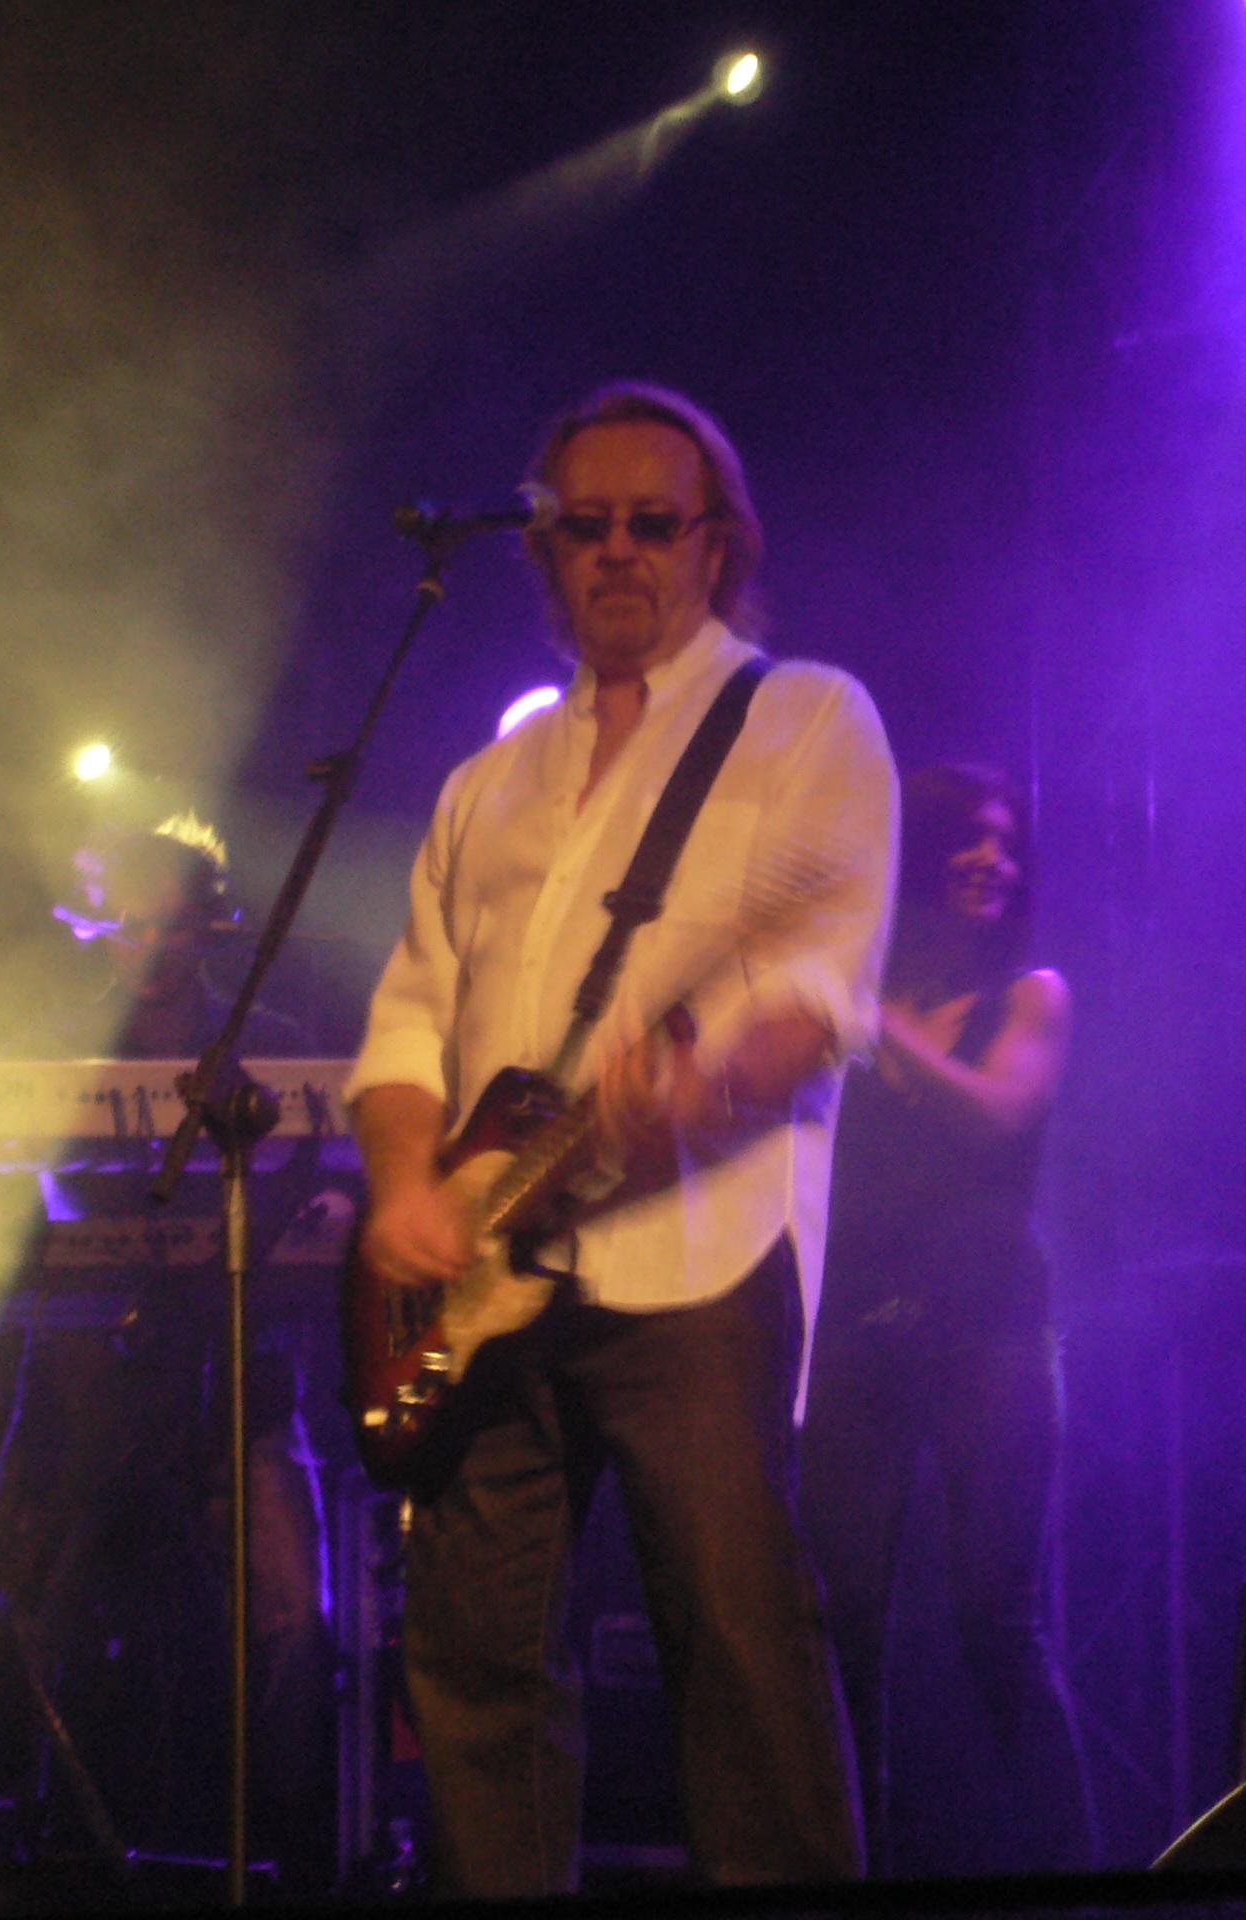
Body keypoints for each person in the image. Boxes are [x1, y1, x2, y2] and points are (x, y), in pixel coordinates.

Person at [347, 381, 898, 1894]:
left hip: (694, 1258)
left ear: (719, 543)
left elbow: (815, 997)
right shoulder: (486, 785)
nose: (617, 551)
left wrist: (700, 1091)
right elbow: (408, 1024)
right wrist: (403, 1192)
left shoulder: (804, 722)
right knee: (470, 1661)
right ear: (542, 552)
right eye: (582, 525)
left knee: (739, 1645)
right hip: (482, 1285)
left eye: (654, 523)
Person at [0, 815, 339, 1891]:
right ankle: (24, 1859)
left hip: (239, 1369)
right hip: (82, 1387)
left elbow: (332, 1182)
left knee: (289, 1619)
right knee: (28, 1613)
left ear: (208, 926)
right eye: (127, 922)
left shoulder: (273, 1043)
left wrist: (320, 1208)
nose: (148, 944)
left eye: (169, 923)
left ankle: (291, 1866)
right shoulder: (51, 1050)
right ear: (95, 926)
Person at [800, 762, 1096, 1874]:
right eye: (971, 837)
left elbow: (1001, 1114)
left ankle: (1079, 1878)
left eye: (1009, 843)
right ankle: (855, 1871)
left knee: (996, 1619)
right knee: (843, 1626)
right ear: (918, 854)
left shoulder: (1030, 996)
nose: (993, 860)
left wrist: (871, 1023)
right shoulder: (858, 1000)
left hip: (991, 1334)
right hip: (858, 1331)